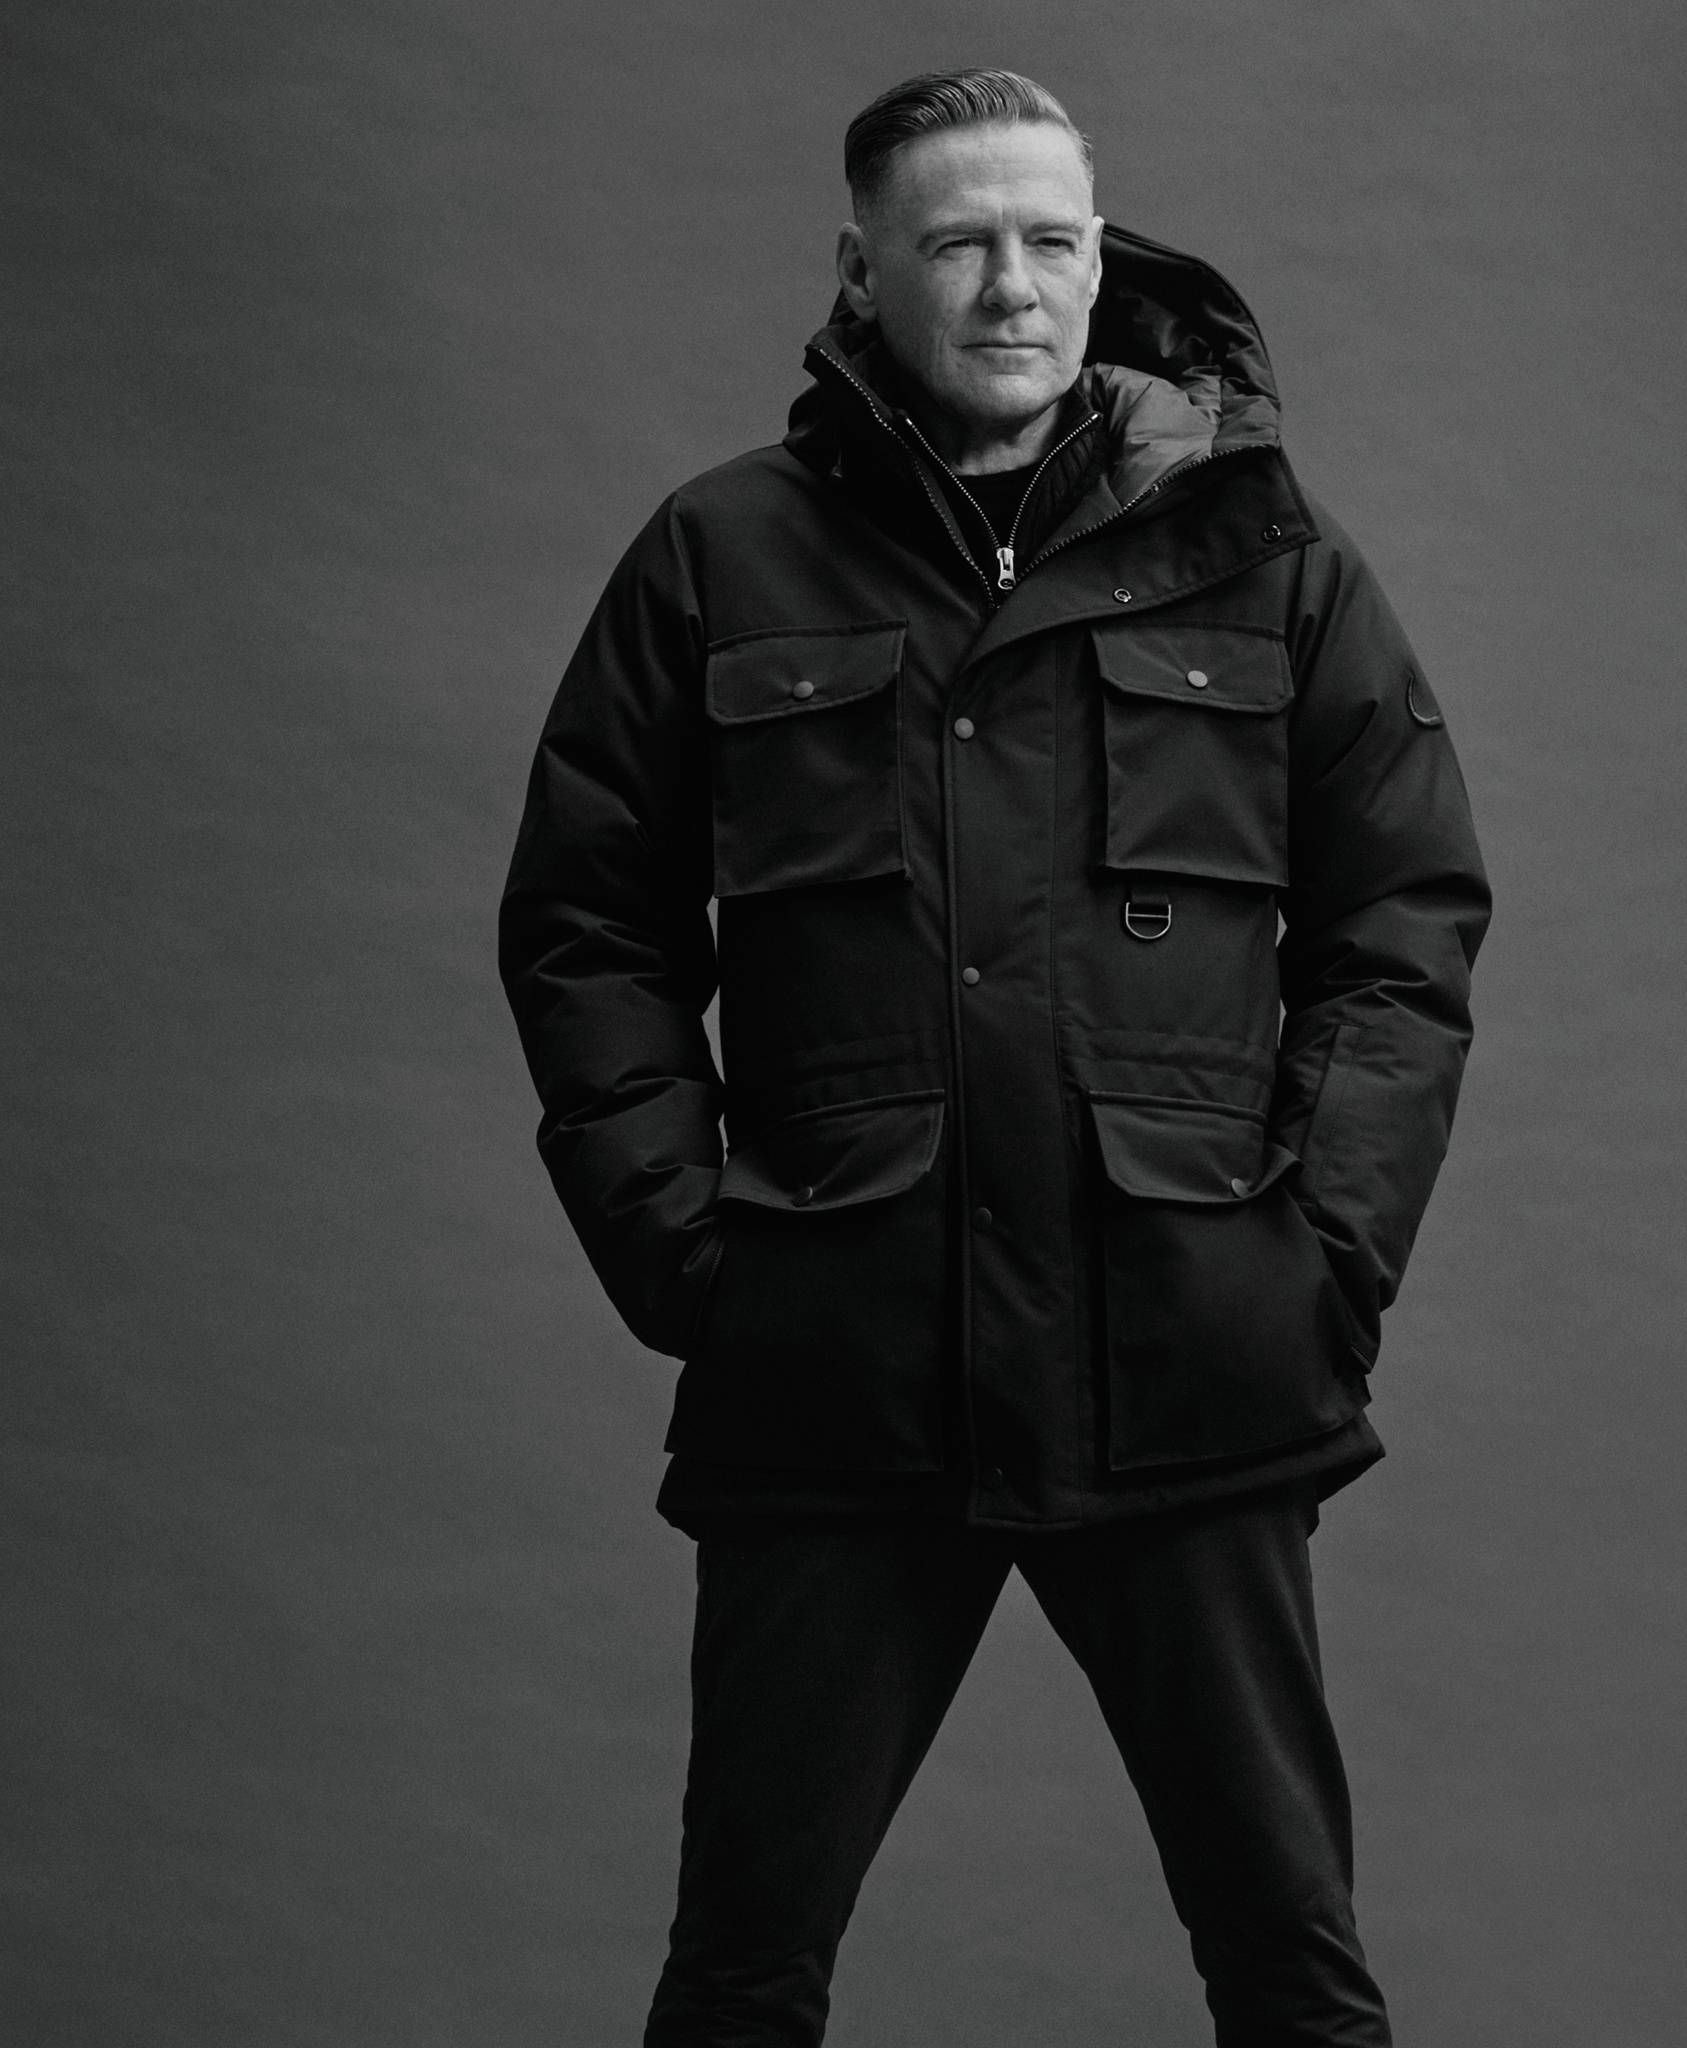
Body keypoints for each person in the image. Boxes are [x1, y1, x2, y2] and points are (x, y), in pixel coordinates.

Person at [499, 67, 1489, 2048]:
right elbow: (586, 922)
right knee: (742, 1976)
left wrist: (1323, 1254)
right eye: (957, 243)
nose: (1011, 286)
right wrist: (691, 1251)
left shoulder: (1269, 556)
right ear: (861, 267)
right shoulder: (720, 554)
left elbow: (1402, 921)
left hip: (1187, 1353)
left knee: (1293, 1972)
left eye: (1050, 240)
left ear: (1100, 258)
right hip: (839, 1357)